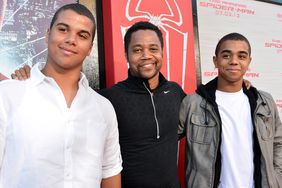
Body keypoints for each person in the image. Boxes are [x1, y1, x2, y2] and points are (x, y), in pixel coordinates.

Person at [0, 3, 122, 188]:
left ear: (90, 48)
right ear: (48, 34)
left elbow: (110, 173)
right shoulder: (8, 95)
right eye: (63, 29)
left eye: (82, 35)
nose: (71, 39)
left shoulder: (104, 109)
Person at [178, 32, 282, 188]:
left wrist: (276, 178)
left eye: (241, 56)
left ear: (249, 61)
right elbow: (164, 141)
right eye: (226, 56)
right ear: (215, 60)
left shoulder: (264, 102)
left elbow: (278, 142)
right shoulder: (193, 103)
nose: (234, 61)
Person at [99, 21, 186, 187]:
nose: (146, 55)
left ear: (162, 52)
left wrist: (240, 86)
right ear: (126, 55)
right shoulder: (110, 97)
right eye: (137, 50)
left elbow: (202, 105)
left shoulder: (175, 91)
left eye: (153, 49)